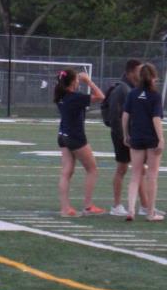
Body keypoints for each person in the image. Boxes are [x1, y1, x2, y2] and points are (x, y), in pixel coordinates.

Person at [53, 68, 105, 217]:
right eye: (76, 80)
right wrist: (88, 81)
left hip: (62, 135)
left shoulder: (61, 96)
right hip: (75, 137)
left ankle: (65, 208)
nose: (78, 82)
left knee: (66, 172)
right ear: (71, 82)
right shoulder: (75, 97)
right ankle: (88, 206)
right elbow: (101, 96)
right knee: (92, 169)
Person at [104, 60, 151, 217]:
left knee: (140, 169)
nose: (142, 74)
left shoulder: (134, 88)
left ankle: (145, 206)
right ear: (130, 72)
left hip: (133, 136)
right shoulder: (122, 89)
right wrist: (124, 137)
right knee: (122, 169)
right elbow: (114, 116)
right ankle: (117, 206)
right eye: (139, 71)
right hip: (123, 136)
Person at [122, 63, 164, 222]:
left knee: (135, 176)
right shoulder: (155, 96)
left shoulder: (132, 93)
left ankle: (131, 210)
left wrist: (126, 134)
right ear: (153, 77)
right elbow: (156, 118)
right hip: (151, 139)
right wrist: (161, 139)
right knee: (152, 177)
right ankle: (150, 213)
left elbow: (125, 115)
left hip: (137, 137)